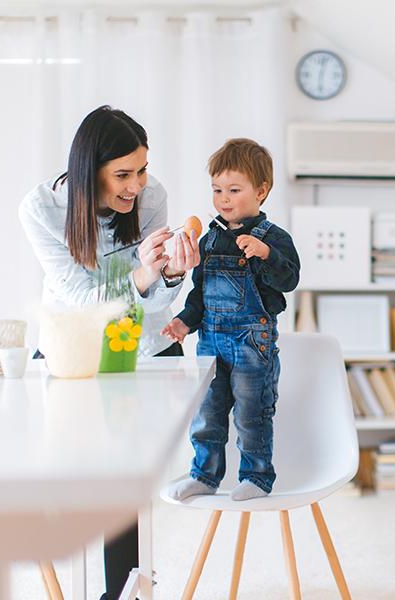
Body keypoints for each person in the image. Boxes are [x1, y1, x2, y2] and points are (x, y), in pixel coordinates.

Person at [19, 105, 200, 600]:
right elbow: (80, 302)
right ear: (87, 170)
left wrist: (172, 273)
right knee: (72, 475)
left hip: (141, 343)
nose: (137, 185)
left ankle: (121, 591)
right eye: (123, 174)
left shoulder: (152, 195)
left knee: (126, 476)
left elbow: (158, 302)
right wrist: (142, 275)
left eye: (142, 169)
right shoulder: (42, 209)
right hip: (74, 346)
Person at [162, 138, 300, 502]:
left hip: (252, 343)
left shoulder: (274, 238)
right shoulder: (208, 240)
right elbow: (199, 295)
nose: (223, 198)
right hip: (211, 340)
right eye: (217, 189)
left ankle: (256, 477)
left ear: (261, 191)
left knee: (252, 412)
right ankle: (204, 476)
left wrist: (265, 254)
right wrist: (183, 323)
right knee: (206, 412)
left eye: (234, 190)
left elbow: (289, 280)